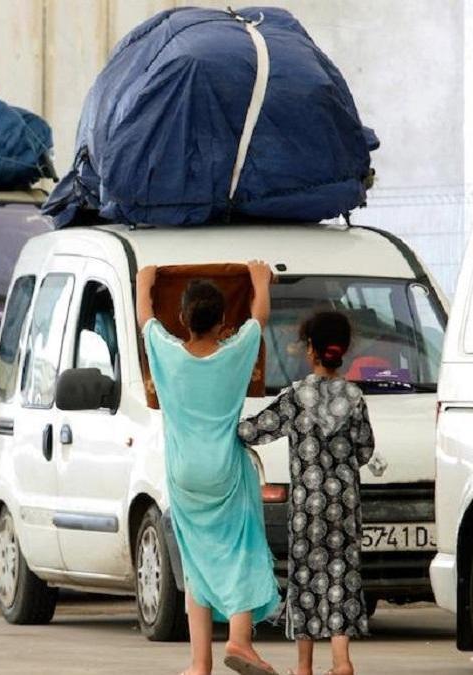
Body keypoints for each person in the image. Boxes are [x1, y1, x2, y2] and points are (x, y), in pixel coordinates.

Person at [138, 261, 281, 675]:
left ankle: (199, 663)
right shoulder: (235, 355)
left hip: (183, 475)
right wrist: (257, 278)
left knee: (196, 559)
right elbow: (259, 317)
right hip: (225, 470)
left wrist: (145, 280)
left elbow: (145, 318)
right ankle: (240, 641)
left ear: (182, 319)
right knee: (242, 551)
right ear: (223, 322)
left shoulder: (166, 354)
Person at [238, 311, 375, 675]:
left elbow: (254, 431)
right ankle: (342, 661)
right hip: (345, 504)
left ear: (311, 350)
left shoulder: (297, 396)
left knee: (305, 578)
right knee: (341, 575)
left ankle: (304, 667)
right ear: (343, 349)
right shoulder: (355, 396)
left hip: (306, 508)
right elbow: (365, 450)